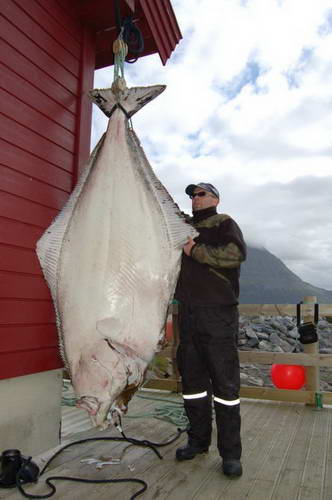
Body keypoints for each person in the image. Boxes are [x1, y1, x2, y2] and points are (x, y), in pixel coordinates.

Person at [174, 182, 246, 477]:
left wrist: (195, 250)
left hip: (218, 314)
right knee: (192, 386)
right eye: (192, 195)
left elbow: (235, 254)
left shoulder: (225, 223)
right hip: (188, 315)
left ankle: (230, 455)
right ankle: (197, 442)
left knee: (226, 388)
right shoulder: (182, 227)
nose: (195, 199)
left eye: (201, 194)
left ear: (215, 198)